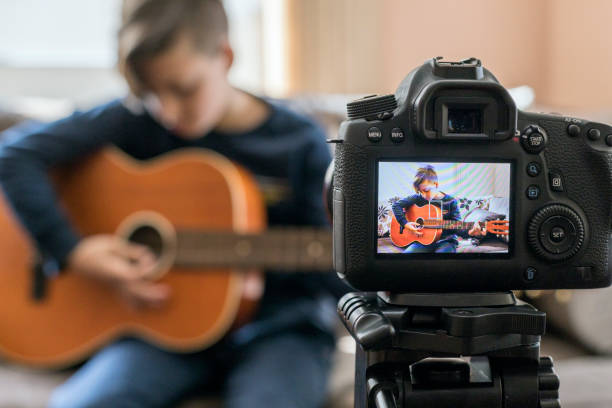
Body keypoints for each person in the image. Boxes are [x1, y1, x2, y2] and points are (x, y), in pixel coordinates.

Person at [0, 1, 346, 407]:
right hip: (160, 332)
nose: (166, 111)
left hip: (281, 330)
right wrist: (72, 250)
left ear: (226, 55)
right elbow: (15, 157)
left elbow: (332, 262)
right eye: (149, 93)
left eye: (183, 89)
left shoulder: (299, 141)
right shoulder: (135, 119)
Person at [391, 165, 486, 253]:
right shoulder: (418, 197)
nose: (423, 195)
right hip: (422, 241)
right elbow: (396, 206)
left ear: (436, 184)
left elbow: (457, 227)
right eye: (420, 191)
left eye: (426, 190)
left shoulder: (450, 201)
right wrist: (405, 223)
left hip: (446, 241)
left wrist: (470, 232)